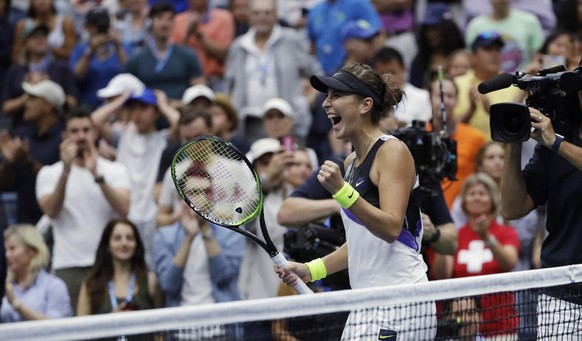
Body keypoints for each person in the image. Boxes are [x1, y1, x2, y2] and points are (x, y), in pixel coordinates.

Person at [276, 63, 436, 339]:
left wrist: (342, 192)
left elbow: (390, 229)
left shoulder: (392, 151)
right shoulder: (351, 162)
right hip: (364, 306)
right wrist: (311, 269)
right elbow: (363, 242)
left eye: (336, 96)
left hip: (401, 302)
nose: (326, 103)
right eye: (327, 96)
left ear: (365, 105)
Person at [35, 109, 131, 312]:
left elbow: (124, 209)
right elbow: (51, 212)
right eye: (74, 131)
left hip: (108, 263)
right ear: (65, 136)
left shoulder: (115, 170)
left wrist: (96, 174)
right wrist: (66, 172)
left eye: (86, 130)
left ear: (94, 133)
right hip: (68, 265)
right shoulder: (49, 173)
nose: (80, 136)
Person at [501, 102, 582, 338]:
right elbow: (513, 208)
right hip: (562, 289)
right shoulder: (556, 141)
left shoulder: (556, 141)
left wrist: (556, 142)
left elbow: (555, 143)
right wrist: (513, 142)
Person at [434, 173, 520, 338]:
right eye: (472, 194)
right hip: (461, 329)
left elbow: (510, 262)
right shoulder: (456, 235)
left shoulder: (505, 232)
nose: (477, 198)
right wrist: (440, 240)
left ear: (492, 199)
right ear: (464, 201)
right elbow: (442, 274)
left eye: (482, 193)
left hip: (501, 326)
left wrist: (486, 237)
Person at [224, 0, 321, 145]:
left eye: (267, 12)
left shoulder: (291, 39)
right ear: (249, 16)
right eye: (256, 13)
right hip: (249, 122)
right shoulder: (238, 46)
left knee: (290, 164)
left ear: (276, 15)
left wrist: (309, 100)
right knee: (255, 166)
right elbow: (229, 85)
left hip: (287, 121)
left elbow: (316, 72)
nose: (262, 17)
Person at [153, 202, 244, 339]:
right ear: (180, 199)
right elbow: (168, 284)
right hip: (181, 331)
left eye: (205, 193)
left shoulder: (231, 232)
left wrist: (204, 227)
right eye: (192, 192)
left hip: (221, 330)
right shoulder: (164, 236)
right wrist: (188, 238)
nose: (199, 199)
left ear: (212, 197)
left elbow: (224, 276)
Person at [0, 80, 66, 224]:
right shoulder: (22, 135)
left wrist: (27, 162)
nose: (26, 103)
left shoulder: (65, 138)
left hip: (55, 223)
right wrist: (8, 162)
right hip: (23, 221)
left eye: (33, 98)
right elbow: (3, 183)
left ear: (48, 106)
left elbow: (60, 182)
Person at [77, 219, 161, 321]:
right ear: (107, 245)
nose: (124, 243)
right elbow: (81, 329)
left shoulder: (150, 281)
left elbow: (160, 329)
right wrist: (109, 321)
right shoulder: (91, 284)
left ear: (136, 244)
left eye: (129, 238)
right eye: (117, 238)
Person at [125, 2, 204, 102]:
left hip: (179, 111)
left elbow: (200, 90)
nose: (164, 23)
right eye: (159, 18)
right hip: (147, 112)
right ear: (151, 22)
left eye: (169, 19)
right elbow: (126, 89)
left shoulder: (188, 55)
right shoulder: (137, 56)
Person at [428, 76, 485, 209]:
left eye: (450, 96)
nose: (445, 101)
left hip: (464, 215)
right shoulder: (419, 136)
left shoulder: (475, 137)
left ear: (457, 100)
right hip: (426, 215)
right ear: (430, 98)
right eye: (440, 96)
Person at [453, 31, 522, 140]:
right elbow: (448, 126)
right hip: (466, 152)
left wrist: (492, 111)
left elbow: (519, 125)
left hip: (502, 153)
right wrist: (471, 110)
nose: (494, 54)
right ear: (473, 56)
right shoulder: (456, 84)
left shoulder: (514, 85)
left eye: (497, 50)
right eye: (488, 49)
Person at [1, 224, 72, 322]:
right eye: (5, 250)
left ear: (32, 251)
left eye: (12, 248)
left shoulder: (53, 286)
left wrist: (16, 304)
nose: (7, 255)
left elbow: (57, 326)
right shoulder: (5, 286)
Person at [69, 7, 130, 110]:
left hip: (118, 105)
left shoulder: (122, 47)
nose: (99, 28)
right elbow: (76, 76)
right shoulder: (80, 49)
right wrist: (91, 51)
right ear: (87, 27)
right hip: (89, 105)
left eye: (103, 24)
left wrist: (118, 46)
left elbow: (130, 71)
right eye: (94, 24)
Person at [464, 0, 544, 73]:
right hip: (489, 82)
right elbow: (470, 57)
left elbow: (538, 55)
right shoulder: (475, 25)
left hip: (523, 80)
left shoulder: (529, 20)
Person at [171, 0, 235, 86]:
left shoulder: (224, 18)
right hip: (185, 80)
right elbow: (173, 56)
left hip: (215, 80)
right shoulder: (177, 20)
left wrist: (199, 35)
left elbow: (225, 54)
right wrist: (188, 33)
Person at [11, 0, 76, 62]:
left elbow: (72, 55)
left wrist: (47, 48)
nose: (42, 1)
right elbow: (16, 57)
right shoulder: (23, 25)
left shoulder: (65, 23)